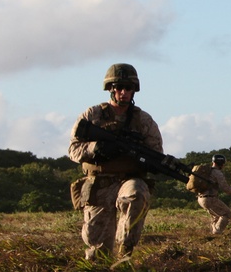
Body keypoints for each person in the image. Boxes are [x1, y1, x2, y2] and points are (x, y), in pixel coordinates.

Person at [68, 63, 163, 260]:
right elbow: (73, 150)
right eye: (118, 88)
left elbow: (156, 153)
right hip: (99, 185)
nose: (123, 92)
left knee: (137, 194)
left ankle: (125, 251)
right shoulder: (92, 116)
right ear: (110, 89)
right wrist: (95, 148)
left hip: (128, 180)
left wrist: (144, 159)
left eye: (128, 88)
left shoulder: (143, 121)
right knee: (97, 250)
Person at [192, 154, 231, 236]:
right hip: (210, 198)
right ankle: (217, 232)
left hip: (201, 198)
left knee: (216, 216)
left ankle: (213, 234)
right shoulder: (217, 173)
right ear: (221, 163)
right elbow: (225, 187)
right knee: (227, 214)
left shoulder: (207, 171)